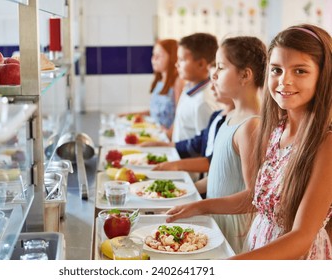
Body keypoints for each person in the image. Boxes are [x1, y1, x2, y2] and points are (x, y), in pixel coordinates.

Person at [167, 24, 332, 260]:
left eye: (300, 71)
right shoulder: (277, 129)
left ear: (323, 75)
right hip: (258, 248)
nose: (284, 81)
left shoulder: (326, 142)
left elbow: (302, 236)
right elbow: (257, 200)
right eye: (276, 70)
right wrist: (199, 205)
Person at [166, 36, 267, 254]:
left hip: (236, 229)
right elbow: (222, 176)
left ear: (245, 75)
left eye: (221, 67)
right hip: (218, 221)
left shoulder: (251, 126)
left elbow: (252, 197)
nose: (214, 75)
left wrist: (201, 205)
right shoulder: (230, 116)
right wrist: (185, 192)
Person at [139, 83, 234, 189]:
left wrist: (176, 165)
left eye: (216, 82)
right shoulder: (217, 115)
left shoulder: (231, 122)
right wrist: (163, 144)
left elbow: (214, 162)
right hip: (207, 184)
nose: (211, 87)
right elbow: (196, 143)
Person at [119, 39, 183, 130]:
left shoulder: (178, 82)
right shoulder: (160, 81)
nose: (153, 59)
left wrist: (168, 135)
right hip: (155, 132)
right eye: (153, 55)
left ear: (172, 57)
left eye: (158, 56)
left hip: (166, 138)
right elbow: (155, 113)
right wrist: (129, 115)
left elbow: (180, 117)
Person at [170, 33, 221, 142]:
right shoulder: (188, 88)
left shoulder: (203, 102)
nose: (177, 64)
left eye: (182, 60)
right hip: (178, 155)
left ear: (201, 64)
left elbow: (204, 146)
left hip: (187, 158)